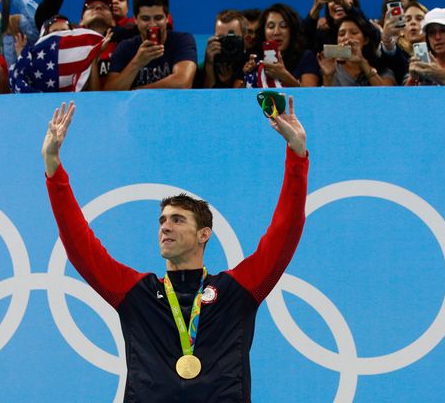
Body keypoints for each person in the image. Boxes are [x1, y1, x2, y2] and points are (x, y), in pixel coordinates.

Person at [41, 95, 308, 401]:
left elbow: (284, 233)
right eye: (162, 220)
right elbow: (79, 244)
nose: (165, 227)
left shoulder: (236, 291)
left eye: (178, 220)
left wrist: (297, 157)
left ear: (203, 234)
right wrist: (53, 168)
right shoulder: (136, 293)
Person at [105, 0, 196, 90]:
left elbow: (182, 83)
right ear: (135, 20)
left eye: (158, 18)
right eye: (145, 18)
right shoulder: (125, 47)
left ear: (167, 18)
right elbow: (111, 92)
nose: (152, 24)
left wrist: (137, 92)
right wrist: (137, 62)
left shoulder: (182, 40)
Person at [235, 3, 320, 88]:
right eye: (271, 26)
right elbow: (236, 97)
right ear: (263, 31)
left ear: (292, 30)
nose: (276, 32)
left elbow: (309, 96)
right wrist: (247, 77)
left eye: (283, 26)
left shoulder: (305, 57)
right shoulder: (253, 58)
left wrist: (284, 76)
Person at [317, 14, 396, 86]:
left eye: (354, 33)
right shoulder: (332, 68)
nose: (346, 37)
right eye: (341, 34)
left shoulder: (382, 69)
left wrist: (362, 62)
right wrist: (328, 76)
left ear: (366, 40)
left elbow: (386, 96)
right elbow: (327, 100)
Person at [405, 8, 445, 86]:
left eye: (443, 30)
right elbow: (405, 97)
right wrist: (413, 79)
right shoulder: (422, 67)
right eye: (431, 32)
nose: (437, 37)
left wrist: (443, 76)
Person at [198, 9, 249, 88]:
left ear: (245, 39)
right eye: (221, 37)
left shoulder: (252, 64)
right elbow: (206, 97)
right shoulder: (203, 67)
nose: (228, 43)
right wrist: (209, 65)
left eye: (232, 38)